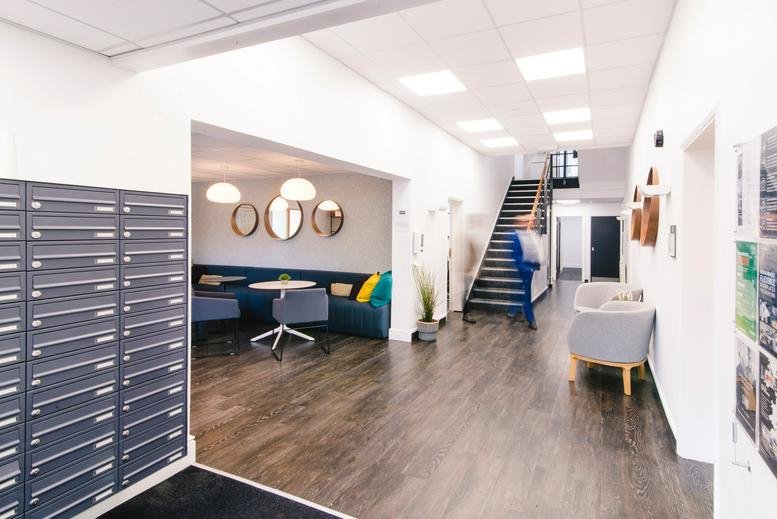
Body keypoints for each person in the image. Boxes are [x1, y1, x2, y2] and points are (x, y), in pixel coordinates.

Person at [509, 214, 541, 330]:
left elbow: (534, 251)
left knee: (522, 292)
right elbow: (516, 255)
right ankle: (530, 319)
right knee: (526, 294)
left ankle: (514, 309)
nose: (530, 223)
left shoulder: (530, 234)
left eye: (529, 221)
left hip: (529, 269)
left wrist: (535, 265)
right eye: (525, 221)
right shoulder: (516, 236)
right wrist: (525, 267)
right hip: (523, 270)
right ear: (519, 223)